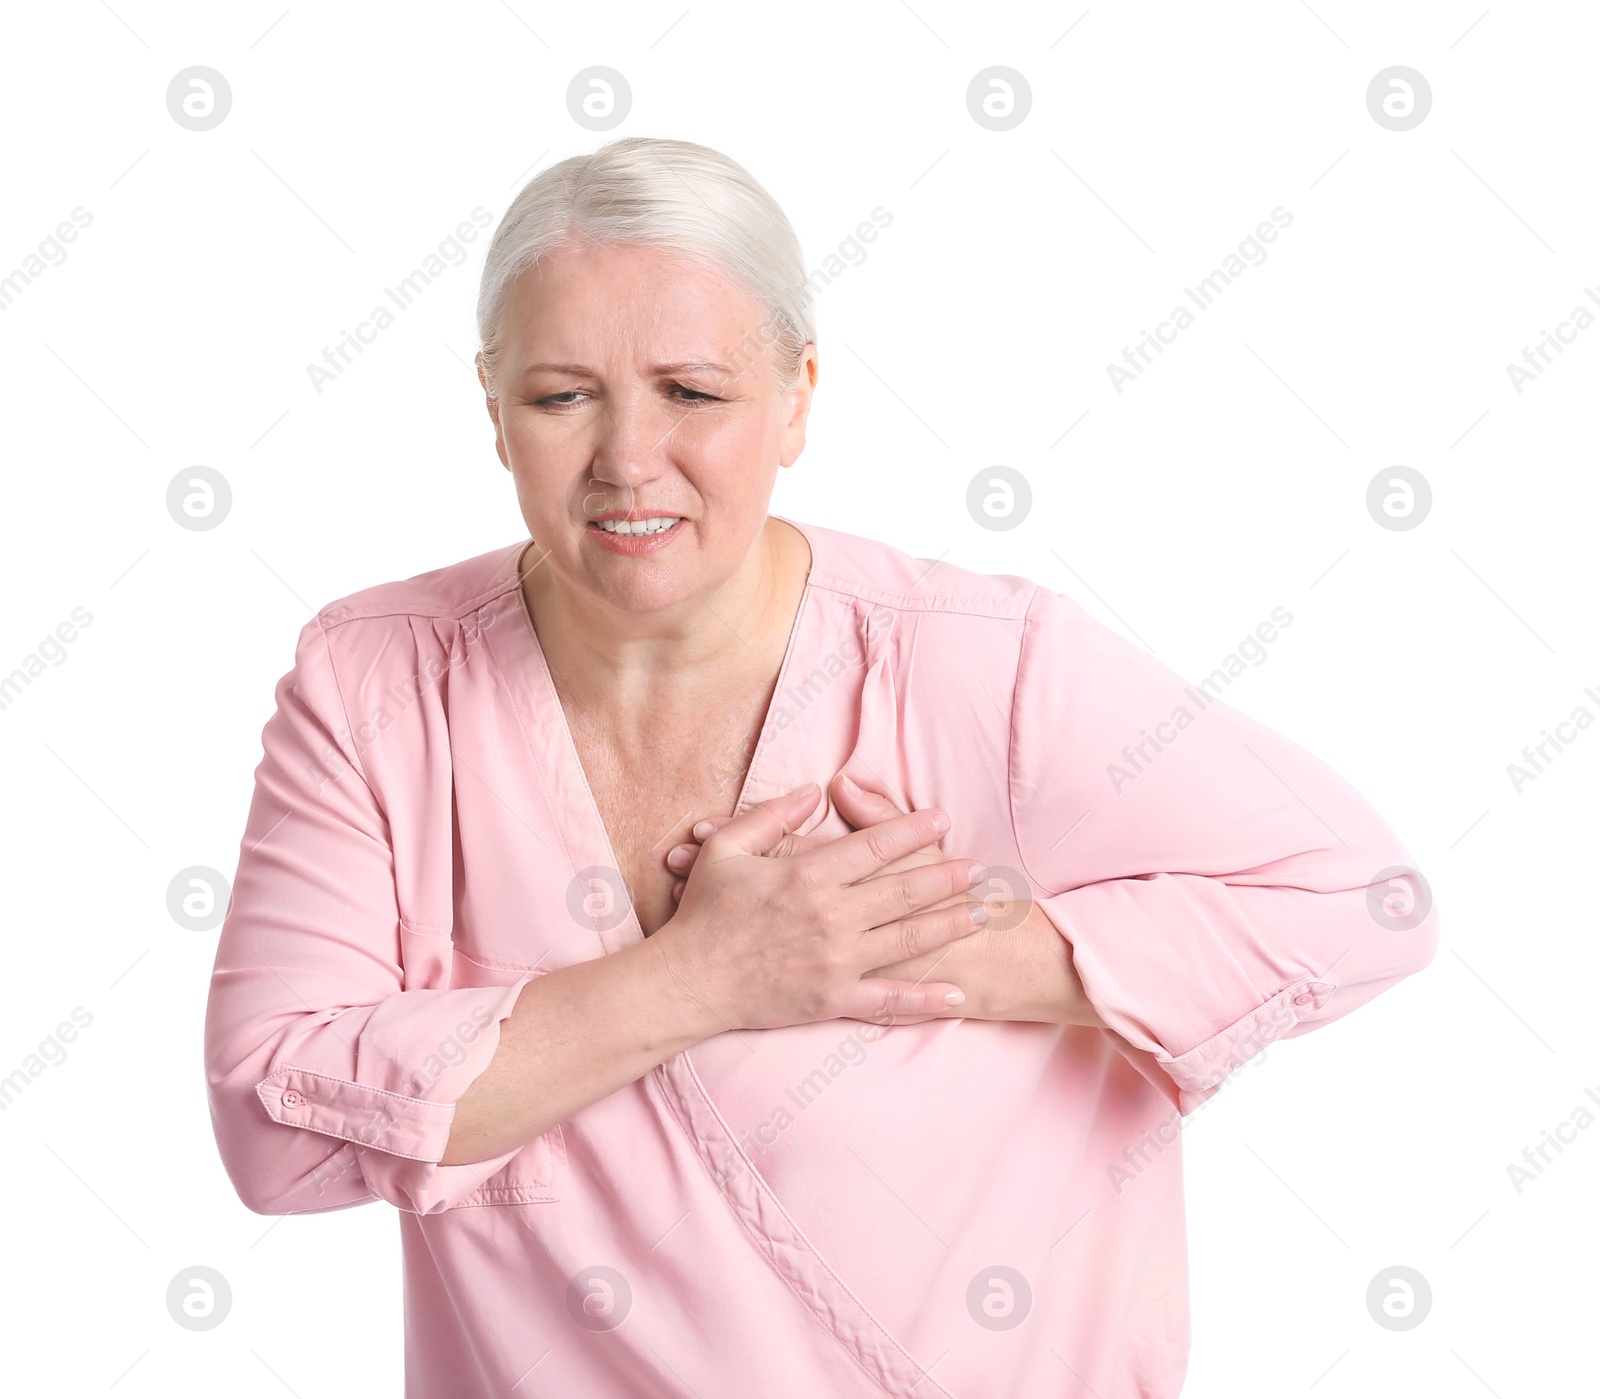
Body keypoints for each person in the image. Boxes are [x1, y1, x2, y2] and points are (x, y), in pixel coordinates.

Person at [204, 136, 1440, 1398]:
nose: (629, 459)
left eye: (692, 391)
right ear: (491, 408)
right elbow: (271, 1120)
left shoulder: (983, 667)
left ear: (796, 396)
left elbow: (1365, 900)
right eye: (562, 395)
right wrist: (705, 977)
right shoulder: (375, 684)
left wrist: (942, 949)